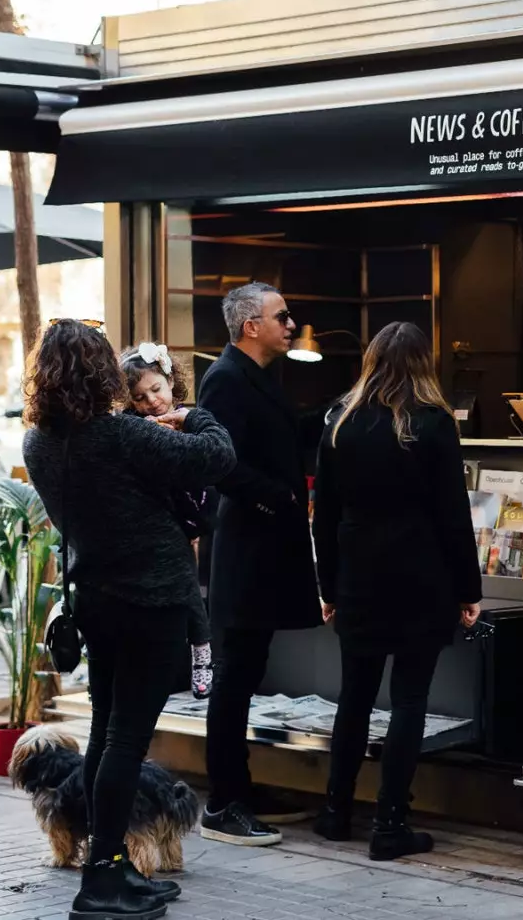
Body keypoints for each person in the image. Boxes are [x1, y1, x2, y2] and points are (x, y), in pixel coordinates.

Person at [22, 320, 235, 920]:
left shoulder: (38, 442)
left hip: (97, 601)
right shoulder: (118, 436)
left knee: (105, 735)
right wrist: (194, 416)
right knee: (124, 741)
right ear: (100, 373)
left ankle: (108, 864)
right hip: (151, 602)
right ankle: (102, 881)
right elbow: (217, 456)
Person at [311, 321, 482, 860]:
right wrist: (467, 589)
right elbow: (455, 515)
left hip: (358, 578)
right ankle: (390, 824)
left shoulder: (339, 421)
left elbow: (324, 516)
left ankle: (335, 813)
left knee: (354, 697)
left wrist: (328, 585)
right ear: (422, 365)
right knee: (409, 700)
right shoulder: (432, 425)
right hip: (420, 578)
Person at [198, 282, 323, 847]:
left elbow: (281, 436)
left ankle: (240, 788)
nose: (290, 325)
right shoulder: (224, 380)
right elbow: (221, 465)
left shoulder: (260, 376)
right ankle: (223, 802)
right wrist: (280, 496)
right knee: (234, 677)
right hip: (248, 547)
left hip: (267, 547)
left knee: (248, 672)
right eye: (283, 316)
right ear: (252, 326)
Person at [121, 342, 214, 700]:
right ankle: (198, 653)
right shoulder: (137, 429)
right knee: (184, 588)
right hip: (159, 517)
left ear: (171, 380)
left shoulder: (189, 418)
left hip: (193, 506)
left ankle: (202, 652)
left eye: (156, 389)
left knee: (190, 583)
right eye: (140, 397)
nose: (152, 401)